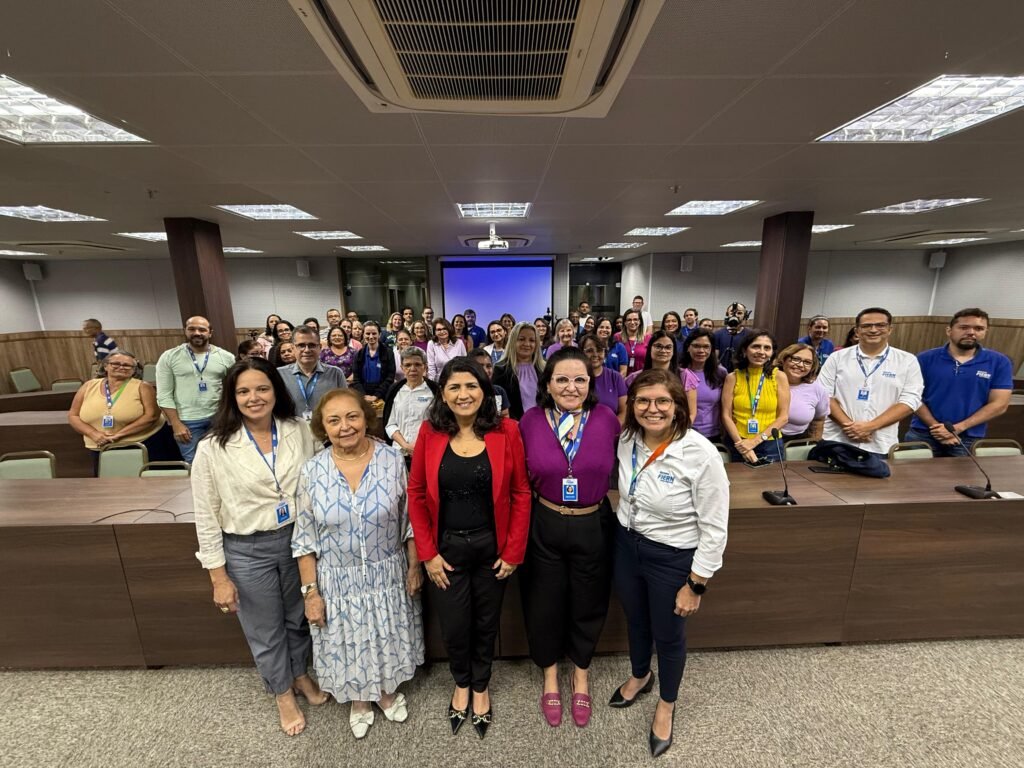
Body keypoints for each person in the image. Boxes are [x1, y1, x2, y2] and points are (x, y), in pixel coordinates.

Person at [191, 357, 326, 737]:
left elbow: (325, 467)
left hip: (298, 542)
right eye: (244, 391)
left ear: (276, 391)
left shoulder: (298, 430)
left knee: (297, 619)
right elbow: (205, 515)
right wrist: (218, 578)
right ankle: (281, 692)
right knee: (265, 629)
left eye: (262, 388)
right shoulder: (213, 447)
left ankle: (299, 674)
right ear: (232, 397)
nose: (254, 398)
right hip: (247, 550)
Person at [407, 358, 531, 739]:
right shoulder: (429, 432)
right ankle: (461, 681)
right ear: (442, 394)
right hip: (445, 552)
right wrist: (427, 554)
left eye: (471, 386)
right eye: (455, 387)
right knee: (455, 625)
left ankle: (481, 685)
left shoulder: (507, 430)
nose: (464, 394)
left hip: (493, 550)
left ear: (484, 390)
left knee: (486, 622)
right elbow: (416, 492)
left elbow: (520, 492)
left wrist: (513, 551)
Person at [292, 388, 425, 740]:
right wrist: (311, 593)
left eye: (352, 416)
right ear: (322, 427)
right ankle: (359, 699)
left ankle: (384, 693)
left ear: (367, 419)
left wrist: (414, 567)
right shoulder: (312, 471)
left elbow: (410, 520)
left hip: (387, 572)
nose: (345, 426)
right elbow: (304, 539)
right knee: (347, 640)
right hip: (336, 580)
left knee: (384, 635)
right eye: (334, 420)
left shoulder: (392, 460)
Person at [610, 369, 729, 758]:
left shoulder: (700, 454)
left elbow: (715, 528)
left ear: (678, 405)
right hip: (627, 546)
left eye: (663, 400)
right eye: (643, 401)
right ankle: (640, 675)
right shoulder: (627, 439)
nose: (652, 409)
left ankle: (666, 704)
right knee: (636, 619)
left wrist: (695, 585)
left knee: (668, 633)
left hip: (672, 557)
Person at [518, 348, 620, 728]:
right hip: (544, 521)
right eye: (561, 379)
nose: (571, 387)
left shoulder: (607, 419)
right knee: (544, 602)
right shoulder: (529, 421)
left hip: (592, 522)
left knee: (588, 600)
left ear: (590, 383)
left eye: (579, 379)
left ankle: (580, 674)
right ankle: (549, 676)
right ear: (548, 384)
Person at [905, 308, 1012, 456]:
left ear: (985, 332)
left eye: (978, 328)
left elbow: (1000, 404)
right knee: (912, 472)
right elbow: (912, 396)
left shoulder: (999, 362)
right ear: (949, 330)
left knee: (963, 473)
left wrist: (958, 428)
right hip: (923, 433)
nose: (971, 332)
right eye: (964, 327)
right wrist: (937, 428)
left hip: (968, 436)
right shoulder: (924, 359)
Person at [818, 308, 923, 457]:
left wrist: (870, 426)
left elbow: (910, 400)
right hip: (837, 440)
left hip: (879, 444)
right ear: (857, 331)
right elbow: (823, 395)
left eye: (880, 325)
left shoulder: (907, 361)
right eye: (866, 326)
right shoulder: (837, 357)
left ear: (890, 329)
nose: (873, 330)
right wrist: (851, 428)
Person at [69, 350, 177, 472]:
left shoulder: (143, 386)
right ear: (106, 366)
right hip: (99, 445)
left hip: (143, 444)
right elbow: (73, 415)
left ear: (134, 370)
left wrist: (118, 435)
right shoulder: (88, 386)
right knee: (109, 480)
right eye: (116, 363)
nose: (121, 367)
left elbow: (152, 415)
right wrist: (94, 434)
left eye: (127, 365)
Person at [155, 316, 236, 463]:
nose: (197, 333)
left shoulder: (226, 357)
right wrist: (176, 424)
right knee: (195, 464)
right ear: (185, 331)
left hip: (218, 418)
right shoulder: (169, 356)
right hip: (187, 421)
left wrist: (229, 417)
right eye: (192, 329)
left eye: (202, 330)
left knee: (223, 461)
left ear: (210, 333)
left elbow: (233, 390)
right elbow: (164, 394)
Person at [720, 329, 790, 464]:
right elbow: (726, 415)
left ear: (772, 353)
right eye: (756, 346)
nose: (761, 352)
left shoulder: (779, 376)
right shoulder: (732, 377)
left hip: (769, 444)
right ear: (744, 350)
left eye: (767, 348)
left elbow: (783, 417)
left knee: (770, 478)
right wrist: (742, 446)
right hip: (738, 441)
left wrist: (754, 442)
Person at [625, 331, 699, 422]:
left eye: (668, 347)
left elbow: (691, 413)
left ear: (673, 351)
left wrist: (679, 430)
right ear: (650, 348)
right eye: (658, 346)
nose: (663, 351)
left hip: (676, 428)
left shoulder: (685, 376)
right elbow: (628, 411)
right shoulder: (634, 378)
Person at [278, 326, 348, 421]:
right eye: (301, 345)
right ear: (293, 348)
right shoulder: (280, 374)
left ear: (320, 348)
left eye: (312, 345)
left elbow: (345, 405)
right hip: (292, 428)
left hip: (326, 428)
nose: (307, 350)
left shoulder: (335, 374)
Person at [384, 347, 438, 458]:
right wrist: (405, 445)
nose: (412, 369)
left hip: (426, 451)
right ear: (402, 368)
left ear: (425, 367)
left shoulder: (434, 391)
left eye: (417, 364)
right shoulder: (395, 390)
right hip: (399, 452)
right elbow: (390, 424)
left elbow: (439, 424)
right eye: (408, 365)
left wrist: (419, 445)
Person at [680, 330, 727, 442]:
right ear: (688, 347)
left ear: (711, 349)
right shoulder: (679, 372)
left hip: (712, 435)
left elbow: (724, 406)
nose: (701, 350)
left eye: (706, 347)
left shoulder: (721, 373)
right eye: (696, 346)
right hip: (683, 432)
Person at [492, 322, 545, 419]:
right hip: (514, 424)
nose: (527, 344)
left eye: (532, 340)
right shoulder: (500, 369)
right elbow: (497, 406)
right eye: (521, 339)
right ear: (513, 341)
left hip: (541, 423)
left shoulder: (544, 368)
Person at [776, 343, 828, 441]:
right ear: (783, 359)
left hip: (795, 443)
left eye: (807, 362)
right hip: (762, 439)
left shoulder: (818, 389)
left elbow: (819, 420)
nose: (800, 365)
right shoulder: (767, 381)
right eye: (796, 359)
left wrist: (813, 445)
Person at [581, 333, 627, 422]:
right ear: (582, 353)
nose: (595, 354)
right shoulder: (575, 378)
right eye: (590, 351)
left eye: (599, 350)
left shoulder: (616, 377)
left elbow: (624, 411)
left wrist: (612, 428)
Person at [352, 321, 396, 406]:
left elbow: (390, 377)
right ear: (363, 335)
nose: (371, 336)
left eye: (374, 333)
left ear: (379, 334)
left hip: (383, 395)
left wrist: (376, 395)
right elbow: (356, 379)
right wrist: (363, 395)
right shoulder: (359, 354)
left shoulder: (388, 353)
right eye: (368, 334)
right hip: (363, 396)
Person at [467, 347, 511, 417]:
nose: (485, 370)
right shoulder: (465, 394)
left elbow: (505, 416)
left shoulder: (499, 391)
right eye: (480, 366)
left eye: (489, 366)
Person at [712, 302, 752, 372]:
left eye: (739, 313)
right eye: (732, 312)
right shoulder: (717, 334)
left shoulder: (750, 335)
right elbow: (715, 357)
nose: (735, 315)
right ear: (727, 314)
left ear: (745, 315)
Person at [618, 309, 651, 377]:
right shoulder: (617, 337)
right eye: (629, 320)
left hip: (641, 378)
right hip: (622, 378)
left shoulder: (648, 338)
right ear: (625, 322)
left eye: (635, 319)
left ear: (640, 322)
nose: (632, 322)